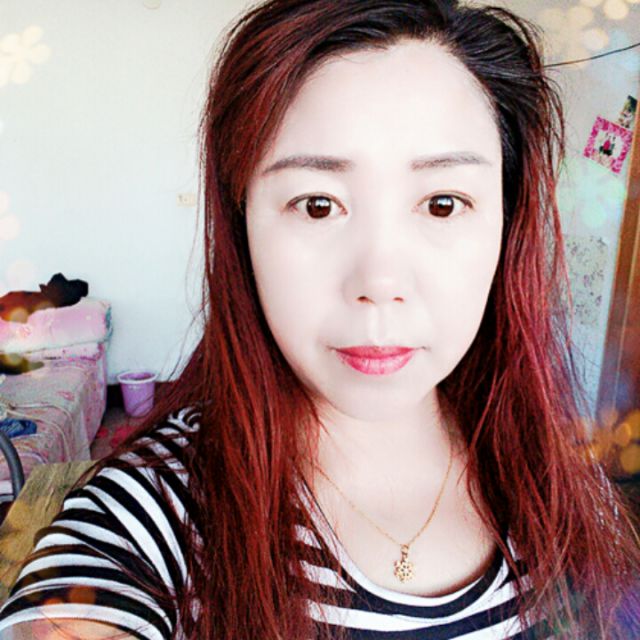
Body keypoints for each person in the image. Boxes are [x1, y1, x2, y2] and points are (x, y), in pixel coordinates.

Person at [0, 0, 638, 638]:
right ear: (243, 226)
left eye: (443, 204)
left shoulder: (568, 491)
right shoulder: (149, 518)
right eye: (316, 205)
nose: (380, 283)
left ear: (507, 220)